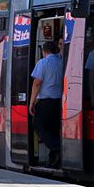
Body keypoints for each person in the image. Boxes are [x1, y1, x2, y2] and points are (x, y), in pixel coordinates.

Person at [29, 40, 64, 168]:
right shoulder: (61, 62)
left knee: (38, 125)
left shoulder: (43, 62)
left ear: (44, 51)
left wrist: (32, 101)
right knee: (53, 129)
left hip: (45, 101)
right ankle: (53, 160)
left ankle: (57, 148)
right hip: (59, 102)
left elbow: (37, 82)